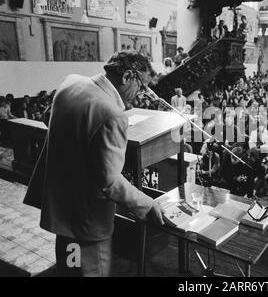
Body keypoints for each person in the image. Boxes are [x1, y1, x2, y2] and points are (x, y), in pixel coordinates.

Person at [24, 50, 164, 277]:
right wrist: (147, 204)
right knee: (90, 271)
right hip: (87, 219)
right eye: (142, 86)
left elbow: (48, 118)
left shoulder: (71, 83)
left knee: (68, 268)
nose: (141, 94)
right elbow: (109, 181)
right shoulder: (113, 115)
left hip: (62, 207)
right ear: (127, 76)